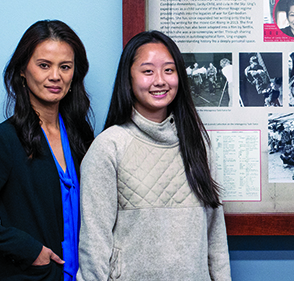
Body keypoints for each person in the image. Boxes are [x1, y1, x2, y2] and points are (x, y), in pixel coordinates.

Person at [76, 31, 230, 280]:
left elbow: (215, 234)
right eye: (147, 71)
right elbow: (94, 243)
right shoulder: (108, 147)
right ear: (128, 78)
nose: (160, 80)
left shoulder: (197, 143)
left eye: (169, 70)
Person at [0, 20, 94, 281]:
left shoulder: (81, 136)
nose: (55, 76)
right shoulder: (2, 139)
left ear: (74, 75)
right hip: (31, 275)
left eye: (65, 67)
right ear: (22, 71)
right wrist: (30, 249)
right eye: (43, 65)